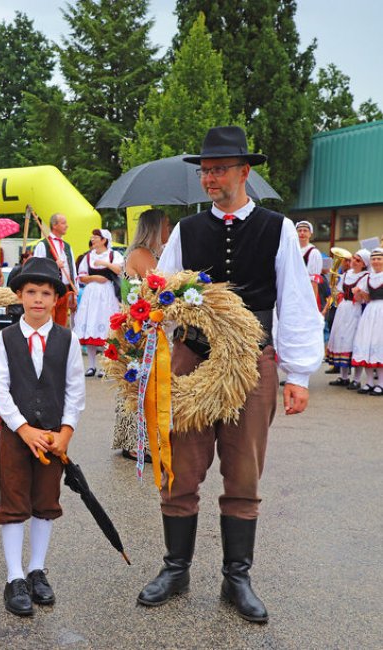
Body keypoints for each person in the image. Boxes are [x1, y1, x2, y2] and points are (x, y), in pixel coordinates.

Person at [138, 126, 324, 623]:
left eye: (219, 169)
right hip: (193, 357)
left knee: (243, 472)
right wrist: (155, 312)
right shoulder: (186, 230)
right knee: (180, 468)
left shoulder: (277, 227)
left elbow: (297, 301)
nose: (209, 177)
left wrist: (299, 375)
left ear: (245, 172)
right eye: (204, 170)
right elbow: (164, 296)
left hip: (252, 364)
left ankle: (236, 577)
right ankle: (176, 569)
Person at [0, 257, 85, 616]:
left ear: (56, 299)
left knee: (46, 501)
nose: (38, 299)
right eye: (31, 292)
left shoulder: (68, 339)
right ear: (19, 295)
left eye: (46, 293)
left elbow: (75, 389)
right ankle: (14, 576)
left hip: (53, 438)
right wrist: (23, 427)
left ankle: (37, 569)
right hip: (17, 435)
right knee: (14, 502)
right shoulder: (6, 338)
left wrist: (66, 431)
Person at [112, 209, 170, 461]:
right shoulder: (143, 254)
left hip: (142, 327)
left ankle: (136, 440)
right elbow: (163, 284)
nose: (170, 230)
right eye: (167, 225)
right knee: (140, 384)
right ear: (156, 228)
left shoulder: (147, 253)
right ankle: (138, 443)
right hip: (141, 329)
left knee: (140, 383)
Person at [73, 229, 123, 377]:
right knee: (90, 325)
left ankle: (105, 366)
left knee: (106, 327)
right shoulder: (88, 257)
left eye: (96, 237)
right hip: (91, 294)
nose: (93, 240)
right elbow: (82, 276)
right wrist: (95, 278)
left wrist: (104, 263)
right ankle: (92, 365)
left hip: (108, 294)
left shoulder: (114, 255)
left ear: (104, 240)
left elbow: (119, 269)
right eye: (92, 237)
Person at [325, 249, 370, 388]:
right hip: (343, 309)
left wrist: (359, 293)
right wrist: (338, 296)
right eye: (353, 259)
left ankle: (356, 379)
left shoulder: (366, 276)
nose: (353, 262)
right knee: (341, 339)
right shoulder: (346, 274)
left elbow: (365, 297)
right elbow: (340, 291)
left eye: (358, 260)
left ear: (364, 264)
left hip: (356, 310)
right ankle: (343, 376)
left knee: (354, 342)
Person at [33, 213, 78, 327]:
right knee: (48, 321)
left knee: (62, 323)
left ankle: (59, 343)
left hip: (66, 290)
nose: (66, 226)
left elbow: (73, 269)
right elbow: (36, 268)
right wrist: (53, 265)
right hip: (50, 288)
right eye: (63, 223)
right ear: (54, 225)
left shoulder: (67, 246)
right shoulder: (43, 245)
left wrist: (75, 293)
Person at [351, 248, 383, 395]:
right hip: (370, 311)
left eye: (379, 259)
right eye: (374, 259)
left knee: (379, 344)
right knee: (367, 344)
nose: (376, 261)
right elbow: (367, 298)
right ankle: (369, 381)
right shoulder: (368, 277)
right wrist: (359, 292)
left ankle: (381, 383)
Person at [296, 220, 323, 309]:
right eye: (299, 231)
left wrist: (312, 304)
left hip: (306, 293)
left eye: (305, 230)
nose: (302, 233)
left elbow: (314, 282)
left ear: (310, 234)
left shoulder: (313, 253)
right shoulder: (293, 250)